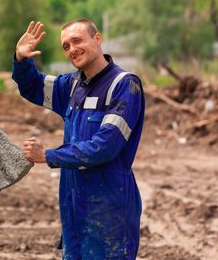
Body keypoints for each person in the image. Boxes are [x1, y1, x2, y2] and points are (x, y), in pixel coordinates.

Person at [12, 19, 145, 260]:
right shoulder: (72, 85)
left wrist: (48, 156)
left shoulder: (124, 85)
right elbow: (33, 86)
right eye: (66, 46)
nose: (72, 49)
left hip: (110, 211)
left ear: (97, 39)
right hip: (74, 208)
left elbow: (105, 147)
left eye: (77, 41)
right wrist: (21, 59)